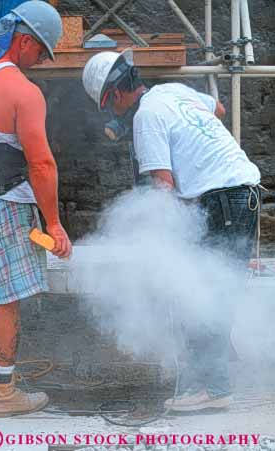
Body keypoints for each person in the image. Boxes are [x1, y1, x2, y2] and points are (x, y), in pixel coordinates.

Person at [82, 49, 261, 412]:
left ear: (115, 96)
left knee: (201, 292)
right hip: (242, 193)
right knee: (213, 288)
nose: (113, 116)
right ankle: (210, 378)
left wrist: (156, 248)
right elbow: (218, 110)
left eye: (109, 107)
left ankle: (213, 387)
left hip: (223, 200)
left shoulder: (145, 118)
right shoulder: (172, 92)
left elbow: (163, 191)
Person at [0, 1, 72, 417]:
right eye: (42, 52)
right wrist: (53, 223)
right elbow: (41, 163)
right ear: (24, 40)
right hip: (1, 207)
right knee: (5, 300)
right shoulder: (21, 91)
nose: (41, 61)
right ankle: (2, 393)